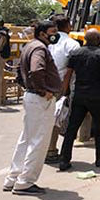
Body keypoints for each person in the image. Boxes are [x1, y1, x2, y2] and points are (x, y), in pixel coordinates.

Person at [3, 20, 61, 195]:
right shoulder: (39, 49)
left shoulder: (29, 46)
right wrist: (43, 90)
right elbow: (36, 70)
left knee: (27, 139)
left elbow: (20, 71)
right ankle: (25, 182)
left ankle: (13, 178)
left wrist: (29, 88)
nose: (55, 35)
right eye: (52, 31)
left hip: (31, 97)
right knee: (39, 141)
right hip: (39, 99)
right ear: (42, 33)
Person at [58, 29, 100, 171]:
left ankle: (64, 160)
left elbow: (68, 74)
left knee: (71, 128)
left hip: (79, 95)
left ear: (85, 40)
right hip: (96, 96)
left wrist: (65, 92)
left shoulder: (76, 53)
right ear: (99, 40)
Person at [44, 15, 81, 163]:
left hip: (41, 85)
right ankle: (50, 151)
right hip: (59, 86)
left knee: (43, 118)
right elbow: (72, 71)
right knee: (56, 118)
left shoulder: (45, 41)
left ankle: (40, 150)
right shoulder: (72, 44)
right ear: (68, 26)